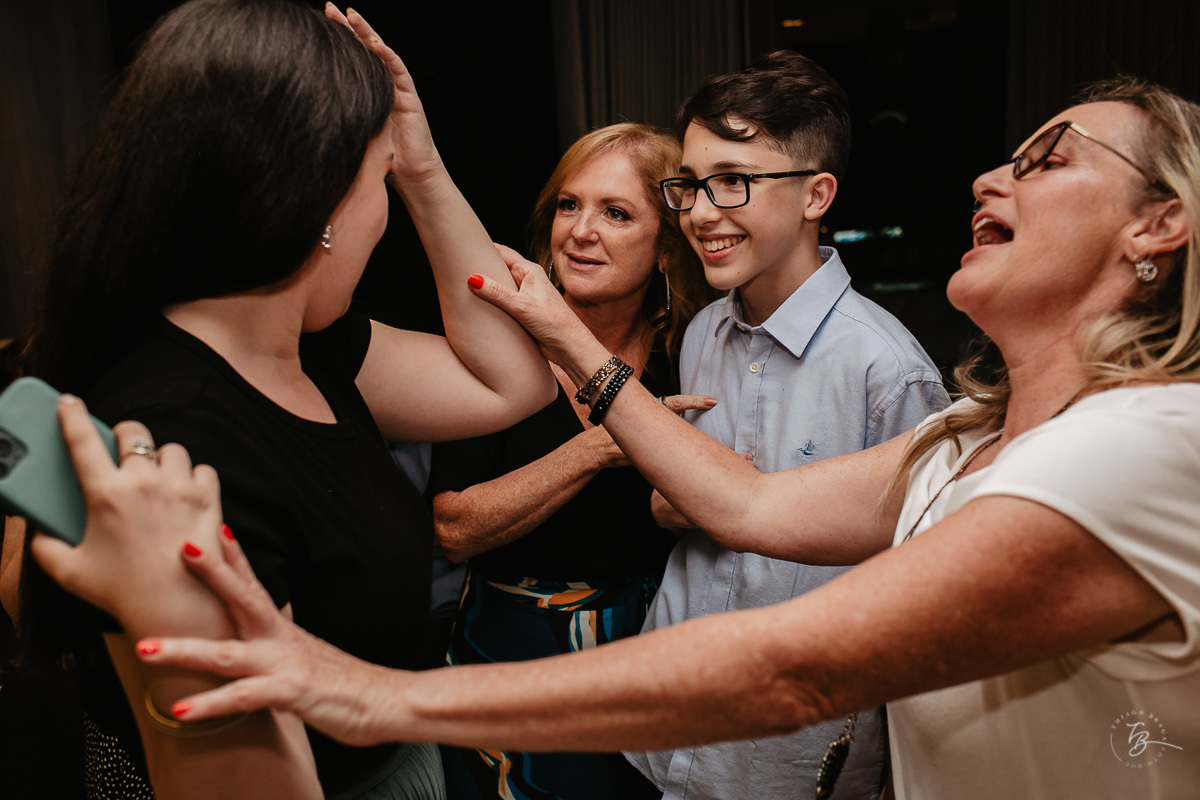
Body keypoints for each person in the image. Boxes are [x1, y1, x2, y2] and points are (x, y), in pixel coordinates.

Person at [53, 77, 1200, 799]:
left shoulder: (1148, 439)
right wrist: (562, 330)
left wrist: (370, 691)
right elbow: (744, 506)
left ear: (1161, 222)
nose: (991, 171)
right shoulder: (968, 435)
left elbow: (794, 662)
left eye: (1048, 157)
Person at [2, 2, 554, 799]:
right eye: (382, 174)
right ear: (320, 203)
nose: (386, 208)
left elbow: (512, 381)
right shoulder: (177, 437)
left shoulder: (305, 342)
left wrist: (423, 167)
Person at [629, 52, 948, 799]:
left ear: (816, 195)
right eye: (690, 184)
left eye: (733, 181)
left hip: (789, 747)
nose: (701, 212)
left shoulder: (887, 370)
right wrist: (671, 502)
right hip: (678, 708)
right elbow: (694, 498)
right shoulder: (703, 331)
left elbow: (924, 578)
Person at [427, 122, 716, 800]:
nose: (580, 231)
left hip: (654, 662)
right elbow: (454, 527)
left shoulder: (696, 355)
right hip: (506, 663)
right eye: (568, 205)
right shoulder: (498, 350)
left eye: (615, 213)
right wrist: (601, 444)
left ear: (668, 250)